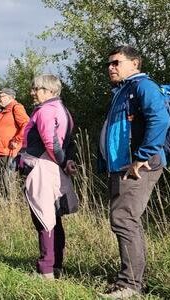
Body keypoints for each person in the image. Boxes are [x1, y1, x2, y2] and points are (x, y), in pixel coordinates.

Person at [99, 46, 170, 298]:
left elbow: (160, 120)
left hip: (138, 166)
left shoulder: (142, 86)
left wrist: (141, 157)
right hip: (123, 165)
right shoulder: (124, 90)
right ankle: (132, 280)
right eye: (109, 64)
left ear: (135, 63)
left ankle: (130, 285)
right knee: (125, 219)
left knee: (123, 219)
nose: (111, 67)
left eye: (116, 62)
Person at [19, 74, 78, 280]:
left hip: (42, 168)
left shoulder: (45, 111)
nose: (32, 92)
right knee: (53, 217)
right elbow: (68, 142)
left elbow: (51, 143)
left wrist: (62, 161)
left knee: (44, 219)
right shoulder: (63, 110)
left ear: (50, 91)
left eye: (36, 89)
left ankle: (46, 270)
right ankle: (56, 265)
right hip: (53, 167)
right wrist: (67, 161)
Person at [0, 88, 29, 197]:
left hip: (9, 150)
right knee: (2, 177)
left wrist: (16, 140)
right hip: (0, 150)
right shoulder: (3, 110)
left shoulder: (16, 108)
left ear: (10, 97)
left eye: (1, 96)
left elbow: (27, 125)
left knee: (7, 178)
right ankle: (5, 203)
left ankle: (11, 204)